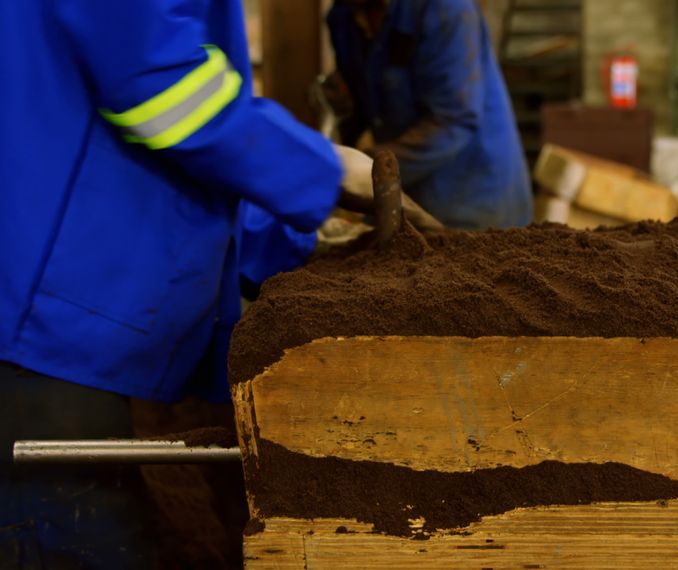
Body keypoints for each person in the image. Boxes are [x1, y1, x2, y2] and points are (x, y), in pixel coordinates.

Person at [0, 1, 435, 566]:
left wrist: (293, 239)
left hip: (68, 290)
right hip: (41, 319)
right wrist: (324, 171)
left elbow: (148, 143)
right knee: (73, 539)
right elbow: (162, 91)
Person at [327, 0, 533, 230]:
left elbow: (453, 118)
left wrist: (367, 171)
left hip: (472, 195)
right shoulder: (344, 16)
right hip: (405, 193)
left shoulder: (446, 8)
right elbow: (361, 100)